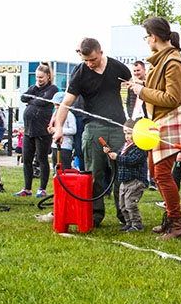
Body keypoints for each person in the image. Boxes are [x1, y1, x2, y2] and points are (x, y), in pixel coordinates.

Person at [125, 17, 181, 240]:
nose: (146, 41)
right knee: (158, 174)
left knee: (163, 174)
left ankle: (177, 224)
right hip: (162, 122)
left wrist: (141, 91)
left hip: (170, 122)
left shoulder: (172, 62)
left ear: (153, 37)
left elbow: (173, 97)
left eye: (146, 36)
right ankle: (171, 219)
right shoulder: (163, 60)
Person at [53, 38, 131, 227]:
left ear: (101, 52)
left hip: (118, 127)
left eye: (93, 60)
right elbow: (66, 104)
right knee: (94, 174)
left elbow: (134, 90)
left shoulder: (118, 68)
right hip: (93, 128)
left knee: (121, 174)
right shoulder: (80, 73)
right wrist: (59, 128)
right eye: (86, 60)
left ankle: (126, 216)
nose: (89, 64)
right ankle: (95, 215)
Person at [16, 64, 58, 198]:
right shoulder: (34, 88)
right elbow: (23, 98)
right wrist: (33, 98)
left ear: (48, 76)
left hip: (42, 130)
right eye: (37, 77)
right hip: (29, 130)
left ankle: (42, 188)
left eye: (41, 77)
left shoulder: (52, 89)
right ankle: (27, 188)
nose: (38, 80)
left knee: (42, 158)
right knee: (26, 159)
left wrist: (31, 100)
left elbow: (43, 101)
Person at [107, 120, 148, 232]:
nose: (127, 136)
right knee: (122, 204)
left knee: (130, 203)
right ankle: (128, 223)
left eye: (129, 133)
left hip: (135, 181)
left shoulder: (140, 148)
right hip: (124, 181)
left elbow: (132, 161)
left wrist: (117, 157)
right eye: (125, 133)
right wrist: (110, 154)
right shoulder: (125, 146)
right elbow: (119, 157)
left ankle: (137, 224)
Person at [49, 91, 76, 170]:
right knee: (56, 168)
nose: (56, 107)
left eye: (58, 105)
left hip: (65, 146)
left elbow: (73, 130)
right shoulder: (54, 115)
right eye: (54, 105)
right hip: (55, 145)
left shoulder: (69, 115)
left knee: (64, 169)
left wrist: (59, 130)